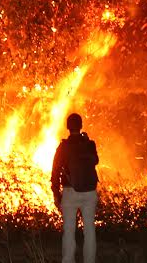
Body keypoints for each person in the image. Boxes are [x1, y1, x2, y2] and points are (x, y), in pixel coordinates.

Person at [51, 113, 99, 263]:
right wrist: (86, 141)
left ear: (68, 127)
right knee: (89, 231)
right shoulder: (90, 144)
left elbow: (55, 170)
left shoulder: (63, 147)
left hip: (70, 192)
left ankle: (68, 260)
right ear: (81, 125)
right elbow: (96, 160)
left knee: (69, 232)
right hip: (90, 192)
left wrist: (56, 193)